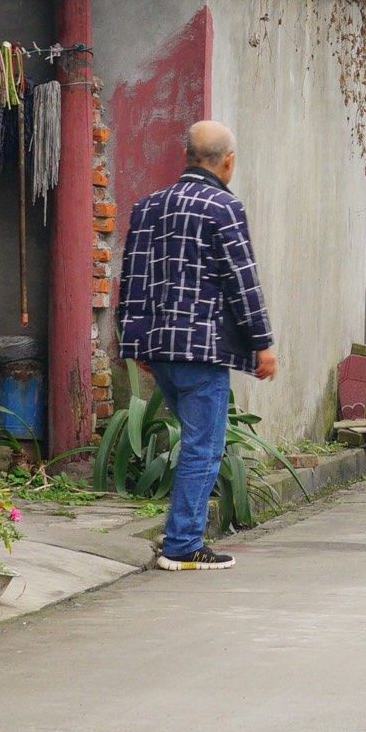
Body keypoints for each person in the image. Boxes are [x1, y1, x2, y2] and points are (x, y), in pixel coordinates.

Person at [116, 119, 276, 571]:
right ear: (228, 162)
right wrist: (263, 344)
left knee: (197, 443)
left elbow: (132, 280)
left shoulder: (147, 206)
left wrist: (136, 344)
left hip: (158, 350)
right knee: (203, 446)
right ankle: (183, 544)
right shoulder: (223, 207)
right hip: (202, 352)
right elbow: (242, 282)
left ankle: (181, 537)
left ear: (187, 155)